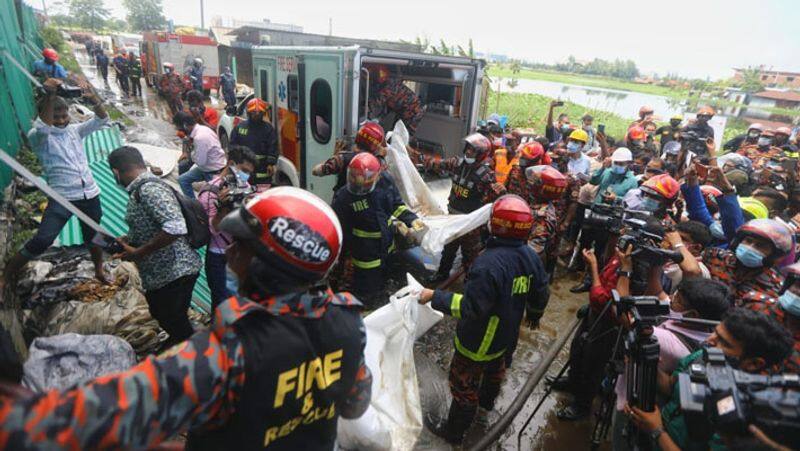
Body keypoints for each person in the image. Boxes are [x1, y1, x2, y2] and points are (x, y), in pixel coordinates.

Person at [0, 187, 372, 450]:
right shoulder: (349, 325)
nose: (228, 257)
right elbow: (355, 403)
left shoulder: (226, 355)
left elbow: (95, 419)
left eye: (238, 247)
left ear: (265, 267)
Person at [418, 194, 550, 444]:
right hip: (505, 336)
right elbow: (541, 290)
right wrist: (534, 314)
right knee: (494, 372)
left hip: (478, 341)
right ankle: (486, 408)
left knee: (463, 386)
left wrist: (434, 296)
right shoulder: (531, 256)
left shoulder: (488, 263)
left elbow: (471, 308)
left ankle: (454, 432)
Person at [625, 308, 794, 451]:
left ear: (754, 364)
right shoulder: (702, 357)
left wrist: (656, 431)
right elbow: (670, 387)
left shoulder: (746, 411)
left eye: (723, 342)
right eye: (715, 333)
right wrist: (644, 360)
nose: (709, 340)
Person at [1, 79, 109, 292]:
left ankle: (99, 269)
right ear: (44, 115)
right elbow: (44, 128)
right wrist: (49, 95)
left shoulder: (75, 131)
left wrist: (94, 97)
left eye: (64, 116)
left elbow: (101, 119)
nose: (61, 120)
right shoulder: (39, 136)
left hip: (89, 195)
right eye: (56, 116)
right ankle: (5, 275)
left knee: (95, 238)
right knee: (43, 239)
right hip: (62, 198)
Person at [107, 146, 202, 348]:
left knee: (170, 317)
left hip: (175, 271)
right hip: (165, 272)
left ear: (116, 172)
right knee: (166, 315)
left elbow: (175, 226)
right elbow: (153, 224)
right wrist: (129, 240)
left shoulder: (149, 189)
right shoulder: (141, 190)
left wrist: (139, 252)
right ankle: (183, 344)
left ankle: (195, 355)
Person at [331, 153, 423, 306]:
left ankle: (379, 296)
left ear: (376, 176)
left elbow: (396, 204)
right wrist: (342, 258)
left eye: (364, 181)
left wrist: (412, 219)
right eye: (354, 178)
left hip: (386, 245)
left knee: (384, 275)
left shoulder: (385, 181)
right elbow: (339, 230)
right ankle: (366, 306)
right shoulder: (343, 198)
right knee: (366, 285)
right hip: (364, 251)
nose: (358, 184)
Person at [424, 133, 506, 283]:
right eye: (468, 148)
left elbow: (495, 200)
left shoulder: (486, 176)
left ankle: (470, 282)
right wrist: (413, 155)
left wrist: (501, 191)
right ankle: (442, 274)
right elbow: (436, 163)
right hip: (452, 217)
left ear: (481, 155)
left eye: (473, 150)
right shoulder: (457, 164)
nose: (468, 152)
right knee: (448, 248)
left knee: (470, 256)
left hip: (470, 224)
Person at [197, 145, 257, 310]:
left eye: (249, 172)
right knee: (223, 304)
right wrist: (222, 208)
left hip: (241, 252)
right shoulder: (210, 192)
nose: (247, 175)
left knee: (240, 300)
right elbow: (213, 230)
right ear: (230, 163)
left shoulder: (245, 186)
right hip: (219, 256)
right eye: (244, 170)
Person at [701, 218, 790, 307]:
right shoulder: (713, 256)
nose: (750, 247)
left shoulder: (775, 287)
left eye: (760, 246)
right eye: (748, 241)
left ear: (773, 256)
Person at [312, 121, 387, 193]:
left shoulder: (342, 159)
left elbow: (316, 171)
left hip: (344, 203)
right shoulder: (380, 163)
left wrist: (334, 157)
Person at [173, 112, 227, 198]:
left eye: (179, 128)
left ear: (185, 125)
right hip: (206, 167)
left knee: (212, 198)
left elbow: (200, 162)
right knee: (182, 180)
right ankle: (193, 204)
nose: (179, 131)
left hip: (213, 171)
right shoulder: (202, 129)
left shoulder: (200, 137)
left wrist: (191, 152)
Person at [230, 98, 279, 189]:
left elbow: (273, 147)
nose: (256, 115)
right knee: (243, 194)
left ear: (263, 113)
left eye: (259, 113)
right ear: (249, 113)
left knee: (263, 196)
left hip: (263, 170)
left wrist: (271, 163)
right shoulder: (240, 128)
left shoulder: (268, 129)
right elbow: (233, 146)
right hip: (244, 169)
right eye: (254, 112)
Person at [367, 64, 424, 135]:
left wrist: (367, 112)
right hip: (404, 111)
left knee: (402, 136)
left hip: (412, 113)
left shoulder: (389, 87)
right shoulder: (390, 83)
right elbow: (385, 104)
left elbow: (377, 102)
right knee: (395, 133)